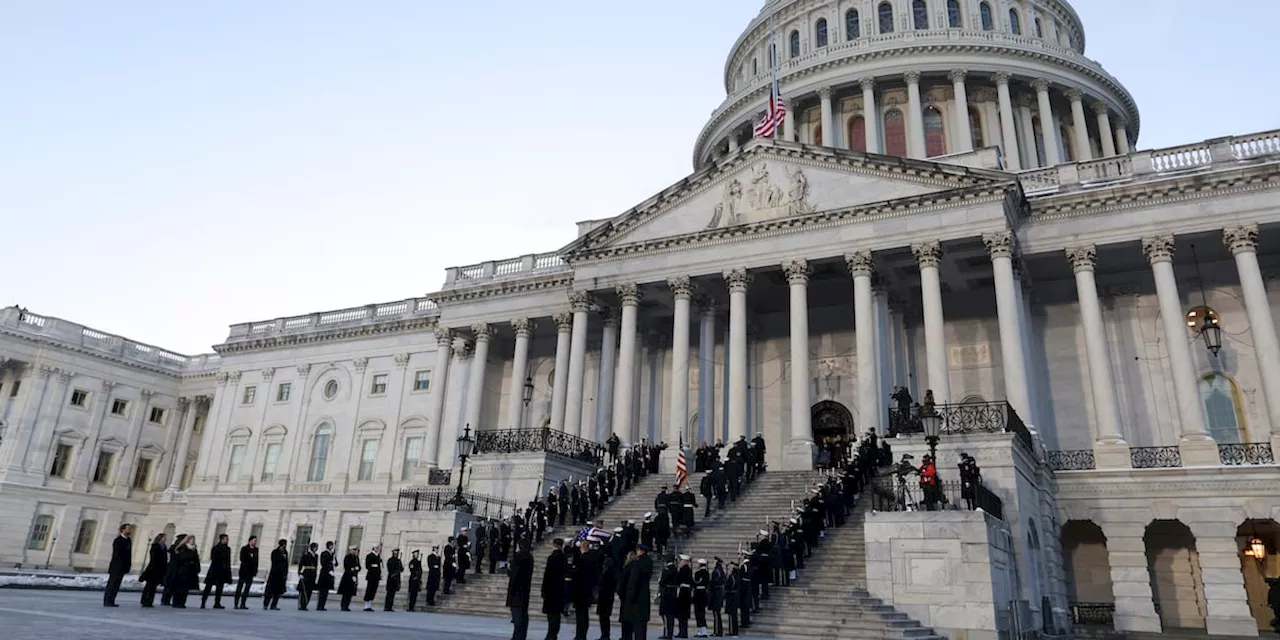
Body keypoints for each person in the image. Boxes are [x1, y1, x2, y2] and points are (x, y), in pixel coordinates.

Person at [620, 544, 654, 640]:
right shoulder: (649, 562)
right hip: (644, 596)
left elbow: (633, 581)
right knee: (642, 626)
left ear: (640, 550)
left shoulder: (637, 563)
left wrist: (629, 596)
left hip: (635, 599)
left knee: (636, 623)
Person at [507, 540, 534, 640]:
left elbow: (514, 575)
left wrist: (510, 569)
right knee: (523, 614)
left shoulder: (518, 558)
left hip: (516, 591)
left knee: (517, 616)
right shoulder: (530, 557)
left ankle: (517, 636)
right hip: (525, 589)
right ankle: (521, 636)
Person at [542, 538, 568, 640]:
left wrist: (544, 590)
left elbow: (547, 575)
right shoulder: (563, 557)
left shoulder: (552, 558)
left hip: (551, 590)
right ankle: (554, 634)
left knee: (551, 615)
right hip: (559, 589)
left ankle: (551, 635)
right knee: (556, 615)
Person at [201, 533, 232, 609]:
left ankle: (217, 603)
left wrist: (228, 572)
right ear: (221, 539)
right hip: (214, 570)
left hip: (223, 571)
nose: (227, 540)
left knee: (220, 588)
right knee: (208, 587)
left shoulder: (228, 549)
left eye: (227, 539)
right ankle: (203, 602)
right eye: (225, 539)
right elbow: (214, 558)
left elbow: (228, 561)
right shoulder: (215, 548)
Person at [104, 523, 132, 607]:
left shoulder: (129, 540)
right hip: (116, 566)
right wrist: (119, 565)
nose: (129, 530)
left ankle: (112, 600)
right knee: (112, 584)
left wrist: (128, 565)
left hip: (123, 567)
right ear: (123, 530)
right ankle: (107, 600)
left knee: (117, 585)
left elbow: (129, 554)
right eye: (128, 529)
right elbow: (116, 554)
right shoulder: (118, 540)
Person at [171, 535, 201, 609]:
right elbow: (181, 557)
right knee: (179, 587)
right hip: (182, 570)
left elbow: (197, 559)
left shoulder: (194, 549)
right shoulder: (183, 548)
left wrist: (197, 568)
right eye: (191, 540)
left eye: (193, 540)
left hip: (190, 571)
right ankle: (176, 602)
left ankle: (182, 602)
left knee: (186, 589)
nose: (193, 541)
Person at [139, 532, 168, 608]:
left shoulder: (164, 547)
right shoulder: (155, 546)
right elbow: (153, 558)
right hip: (153, 568)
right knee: (149, 586)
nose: (165, 539)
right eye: (164, 538)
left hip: (160, 569)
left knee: (153, 587)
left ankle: (150, 601)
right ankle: (145, 600)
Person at [234, 536, 258, 610]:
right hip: (244, 571)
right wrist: (250, 558)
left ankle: (243, 603)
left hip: (251, 572)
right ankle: (236, 603)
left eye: (255, 541)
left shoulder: (256, 550)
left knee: (247, 588)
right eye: (254, 540)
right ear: (250, 541)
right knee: (240, 587)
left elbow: (256, 560)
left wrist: (255, 570)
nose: (255, 542)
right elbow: (242, 558)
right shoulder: (244, 548)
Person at [264, 539, 288, 610]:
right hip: (274, 574)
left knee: (277, 592)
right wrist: (281, 557)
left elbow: (286, 563)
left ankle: (274, 605)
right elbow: (274, 561)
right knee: (270, 590)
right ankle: (266, 604)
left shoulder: (285, 552)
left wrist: (285, 573)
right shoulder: (275, 552)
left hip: (281, 575)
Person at [161, 534, 185, 606]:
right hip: (173, 569)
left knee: (173, 586)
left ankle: (168, 600)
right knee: (169, 585)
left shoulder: (182, 548)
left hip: (177, 569)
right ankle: (165, 600)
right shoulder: (175, 547)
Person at [338, 546, 361, 611]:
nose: (354, 551)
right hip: (347, 576)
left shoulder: (356, 558)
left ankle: (347, 605)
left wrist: (357, 569)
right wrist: (353, 569)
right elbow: (346, 566)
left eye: (355, 550)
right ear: (350, 550)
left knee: (350, 592)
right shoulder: (347, 557)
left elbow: (359, 566)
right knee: (346, 592)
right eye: (353, 550)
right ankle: (343, 605)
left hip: (354, 575)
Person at [298, 542, 319, 610]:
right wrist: (300, 573)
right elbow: (301, 564)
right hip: (306, 573)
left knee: (309, 591)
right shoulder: (306, 554)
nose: (316, 549)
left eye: (316, 547)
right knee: (303, 591)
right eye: (315, 547)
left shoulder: (316, 556)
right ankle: (301, 605)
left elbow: (316, 566)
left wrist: (315, 575)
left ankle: (305, 604)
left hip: (312, 574)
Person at [692, 559, 710, 638]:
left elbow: (695, 582)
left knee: (698, 612)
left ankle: (701, 630)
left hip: (698, 594)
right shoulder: (707, 573)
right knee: (702, 612)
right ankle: (703, 630)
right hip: (704, 593)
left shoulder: (698, 573)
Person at [363, 544, 383, 611]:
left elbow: (379, 566)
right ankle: (366, 605)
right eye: (376, 548)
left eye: (378, 548)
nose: (377, 549)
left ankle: (369, 605)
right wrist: (373, 566)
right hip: (371, 575)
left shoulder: (378, 556)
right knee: (369, 589)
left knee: (373, 590)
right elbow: (367, 565)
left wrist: (380, 573)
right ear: (373, 548)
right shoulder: (369, 555)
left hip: (376, 576)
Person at [317, 541, 336, 611]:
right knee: (322, 591)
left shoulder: (332, 554)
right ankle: (320, 605)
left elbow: (335, 564)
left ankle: (323, 605)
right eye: (331, 546)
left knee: (326, 591)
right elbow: (324, 563)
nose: (332, 547)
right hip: (325, 574)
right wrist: (329, 569)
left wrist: (334, 561)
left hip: (330, 574)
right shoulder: (324, 553)